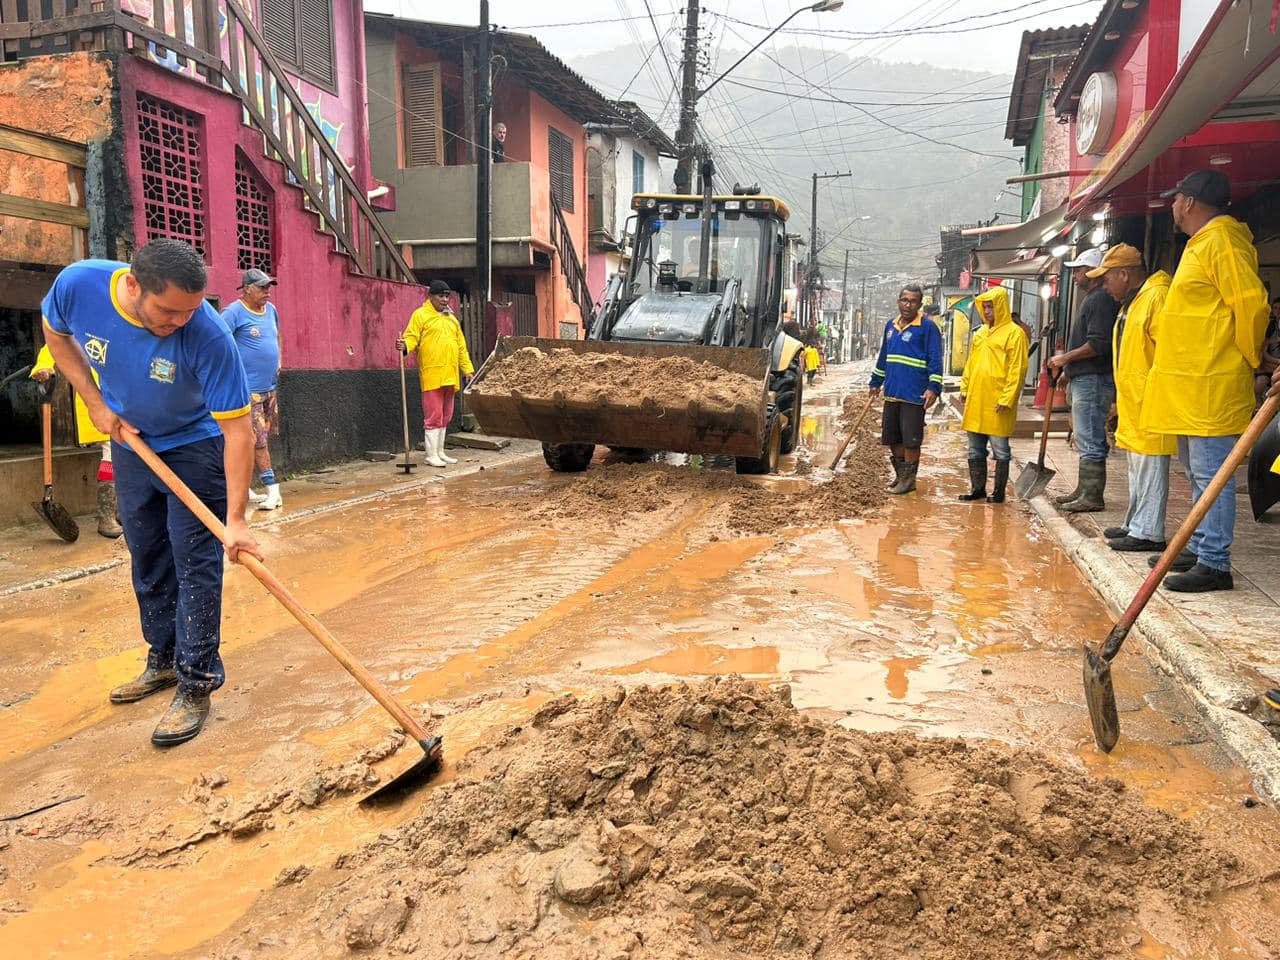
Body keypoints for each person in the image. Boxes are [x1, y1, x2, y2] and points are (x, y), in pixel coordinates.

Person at [41, 239, 261, 746]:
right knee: (147, 553)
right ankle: (163, 658)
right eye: (169, 311)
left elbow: (238, 433)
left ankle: (197, 682)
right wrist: (95, 403)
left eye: (190, 310)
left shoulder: (206, 334)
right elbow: (55, 333)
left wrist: (237, 519)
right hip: (132, 442)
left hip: (196, 444)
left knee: (195, 559)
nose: (180, 322)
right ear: (133, 285)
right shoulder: (79, 285)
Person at [1140, 169, 1270, 592]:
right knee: (1199, 474)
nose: (1173, 206)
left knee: (1213, 473)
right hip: (1191, 385)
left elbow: (1250, 303)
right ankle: (1199, 545)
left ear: (1190, 201)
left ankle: (1215, 563)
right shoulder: (1203, 244)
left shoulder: (1223, 241)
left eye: (1176, 199)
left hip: (1212, 380)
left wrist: (1255, 357)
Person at [1085, 244, 1175, 552]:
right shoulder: (1132, 303)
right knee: (1137, 466)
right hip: (1133, 399)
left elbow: (1167, 352)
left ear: (1124, 275)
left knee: (1150, 466)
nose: (1104, 285)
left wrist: (1154, 392)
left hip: (1149, 399)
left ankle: (1149, 531)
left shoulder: (1157, 298)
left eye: (1107, 278)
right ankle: (1134, 523)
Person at [1048, 247, 1119, 513]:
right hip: (1085, 377)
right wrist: (1068, 371)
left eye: (1079, 270)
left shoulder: (1100, 300)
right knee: (1084, 434)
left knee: (1089, 435)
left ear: (1093, 272)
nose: (1075, 275)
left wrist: (1065, 359)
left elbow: (1098, 344)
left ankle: (1091, 495)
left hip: (1093, 379)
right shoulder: (1093, 298)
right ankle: (1084, 489)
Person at [29, 344, 121, 538]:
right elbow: (53, 344)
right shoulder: (82, 326)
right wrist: (43, 367)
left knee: (128, 456)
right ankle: (107, 517)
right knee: (111, 453)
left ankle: (122, 512)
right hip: (101, 402)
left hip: (128, 401)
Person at [869, 282, 944, 495]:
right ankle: (901, 476)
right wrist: (875, 382)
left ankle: (909, 480)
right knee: (892, 437)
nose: (908, 305)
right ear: (898, 302)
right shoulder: (890, 326)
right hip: (892, 392)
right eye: (904, 300)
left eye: (913, 301)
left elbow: (935, 360)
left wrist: (933, 388)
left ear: (920, 304)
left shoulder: (928, 328)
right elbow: (884, 357)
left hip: (914, 393)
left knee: (911, 439)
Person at [958, 286, 1028, 504]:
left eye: (991, 307)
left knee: (1001, 450)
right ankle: (977, 488)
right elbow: (971, 363)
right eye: (984, 307)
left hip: (998, 401)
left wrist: (1007, 398)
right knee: (974, 449)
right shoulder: (980, 333)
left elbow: (1018, 369)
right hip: (977, 400)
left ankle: (998, 493)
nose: (987, 311)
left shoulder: (1014, 334)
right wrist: (964, 387)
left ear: (1001, 306)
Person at [221, 268, 283, 510]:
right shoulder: (233, 312)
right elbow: (219, 342)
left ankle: (243, 486)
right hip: (247, 390)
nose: (267, 292)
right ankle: (273, 491)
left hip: (269, 388)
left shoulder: (271, 310)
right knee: (257, 441)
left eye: (269, 287)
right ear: (247, 290)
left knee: (253, 440)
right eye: (262, 287)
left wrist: (279, 361)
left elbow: (278, 335)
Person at [398, 280, 474, 468]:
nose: (444, 299)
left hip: (450, 374)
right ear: (430, 296)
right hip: (432, 374)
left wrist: (467, 369)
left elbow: (461, 347)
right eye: (440, 295)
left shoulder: (452, 319)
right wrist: (405, 346)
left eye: (447, 296)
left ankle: (440, 451)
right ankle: (431, 455)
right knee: (433, 415)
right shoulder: (421, 315)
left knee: (446, 415)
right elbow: (412, 336)